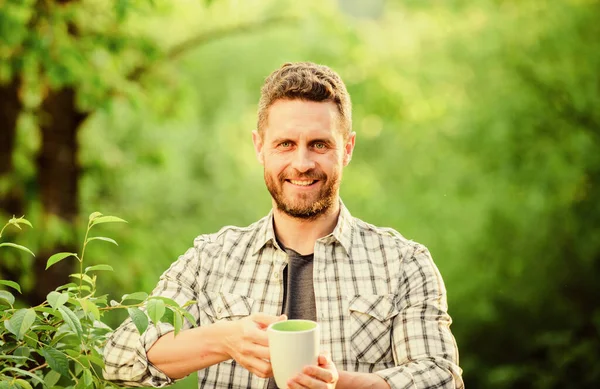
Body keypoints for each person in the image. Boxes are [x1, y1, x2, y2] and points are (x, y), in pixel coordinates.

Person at [103, 62, 464, 389]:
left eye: (319, 144)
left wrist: (342, 385)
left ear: (348, 148)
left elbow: (441, 378)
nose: (302, 162)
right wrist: (224, 339)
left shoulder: (403, 263)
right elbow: (119, 359)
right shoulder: (210, 259)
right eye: (286, 144)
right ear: (260, 147)